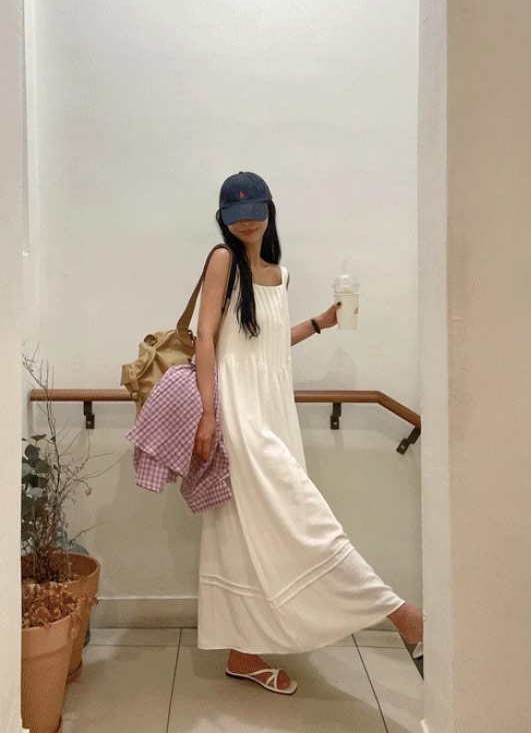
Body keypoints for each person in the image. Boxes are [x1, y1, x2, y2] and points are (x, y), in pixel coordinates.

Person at [194, 171, 423, 695]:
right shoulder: (222, 260)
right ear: (224, 220)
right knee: (307, 522)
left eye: (254, 210)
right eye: (235, 214)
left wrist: (321, 322)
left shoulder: (281, 274)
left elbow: (267, 345)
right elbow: (206, 337)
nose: (246, 221)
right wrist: (209, 413)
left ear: (269, 210)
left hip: (272, 411)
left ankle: (242, 652)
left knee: (250, 531)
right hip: (239, 414)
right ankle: (402, 615)